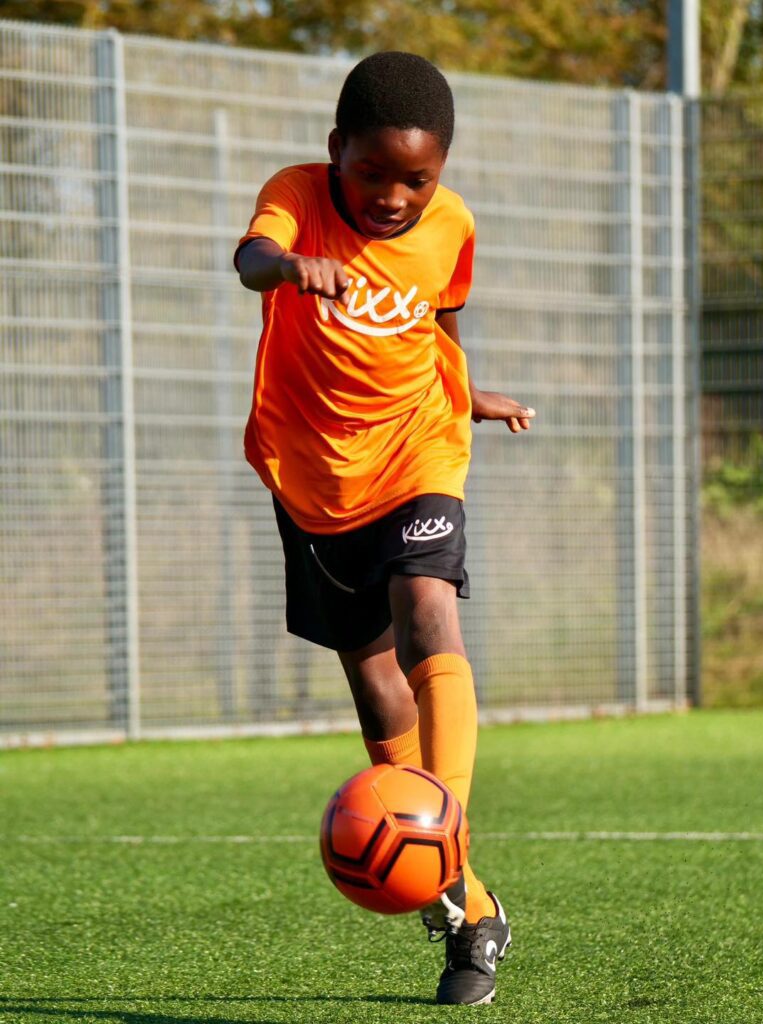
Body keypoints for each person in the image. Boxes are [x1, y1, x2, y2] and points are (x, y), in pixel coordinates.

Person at [235, 50, 534, 1006]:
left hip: (419, 449)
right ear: (338, 153)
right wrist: (287, 265)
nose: (397, 196)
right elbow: (249, 259)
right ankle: (466, 901)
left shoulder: (454, 224)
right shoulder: (295, 193)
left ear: (441, 174)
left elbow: (438, 322)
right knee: (373, 686)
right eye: (375, 173)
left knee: (427, 617)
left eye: (419, 178)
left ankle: (441, 843)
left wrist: (467, 391)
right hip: (312, 474)